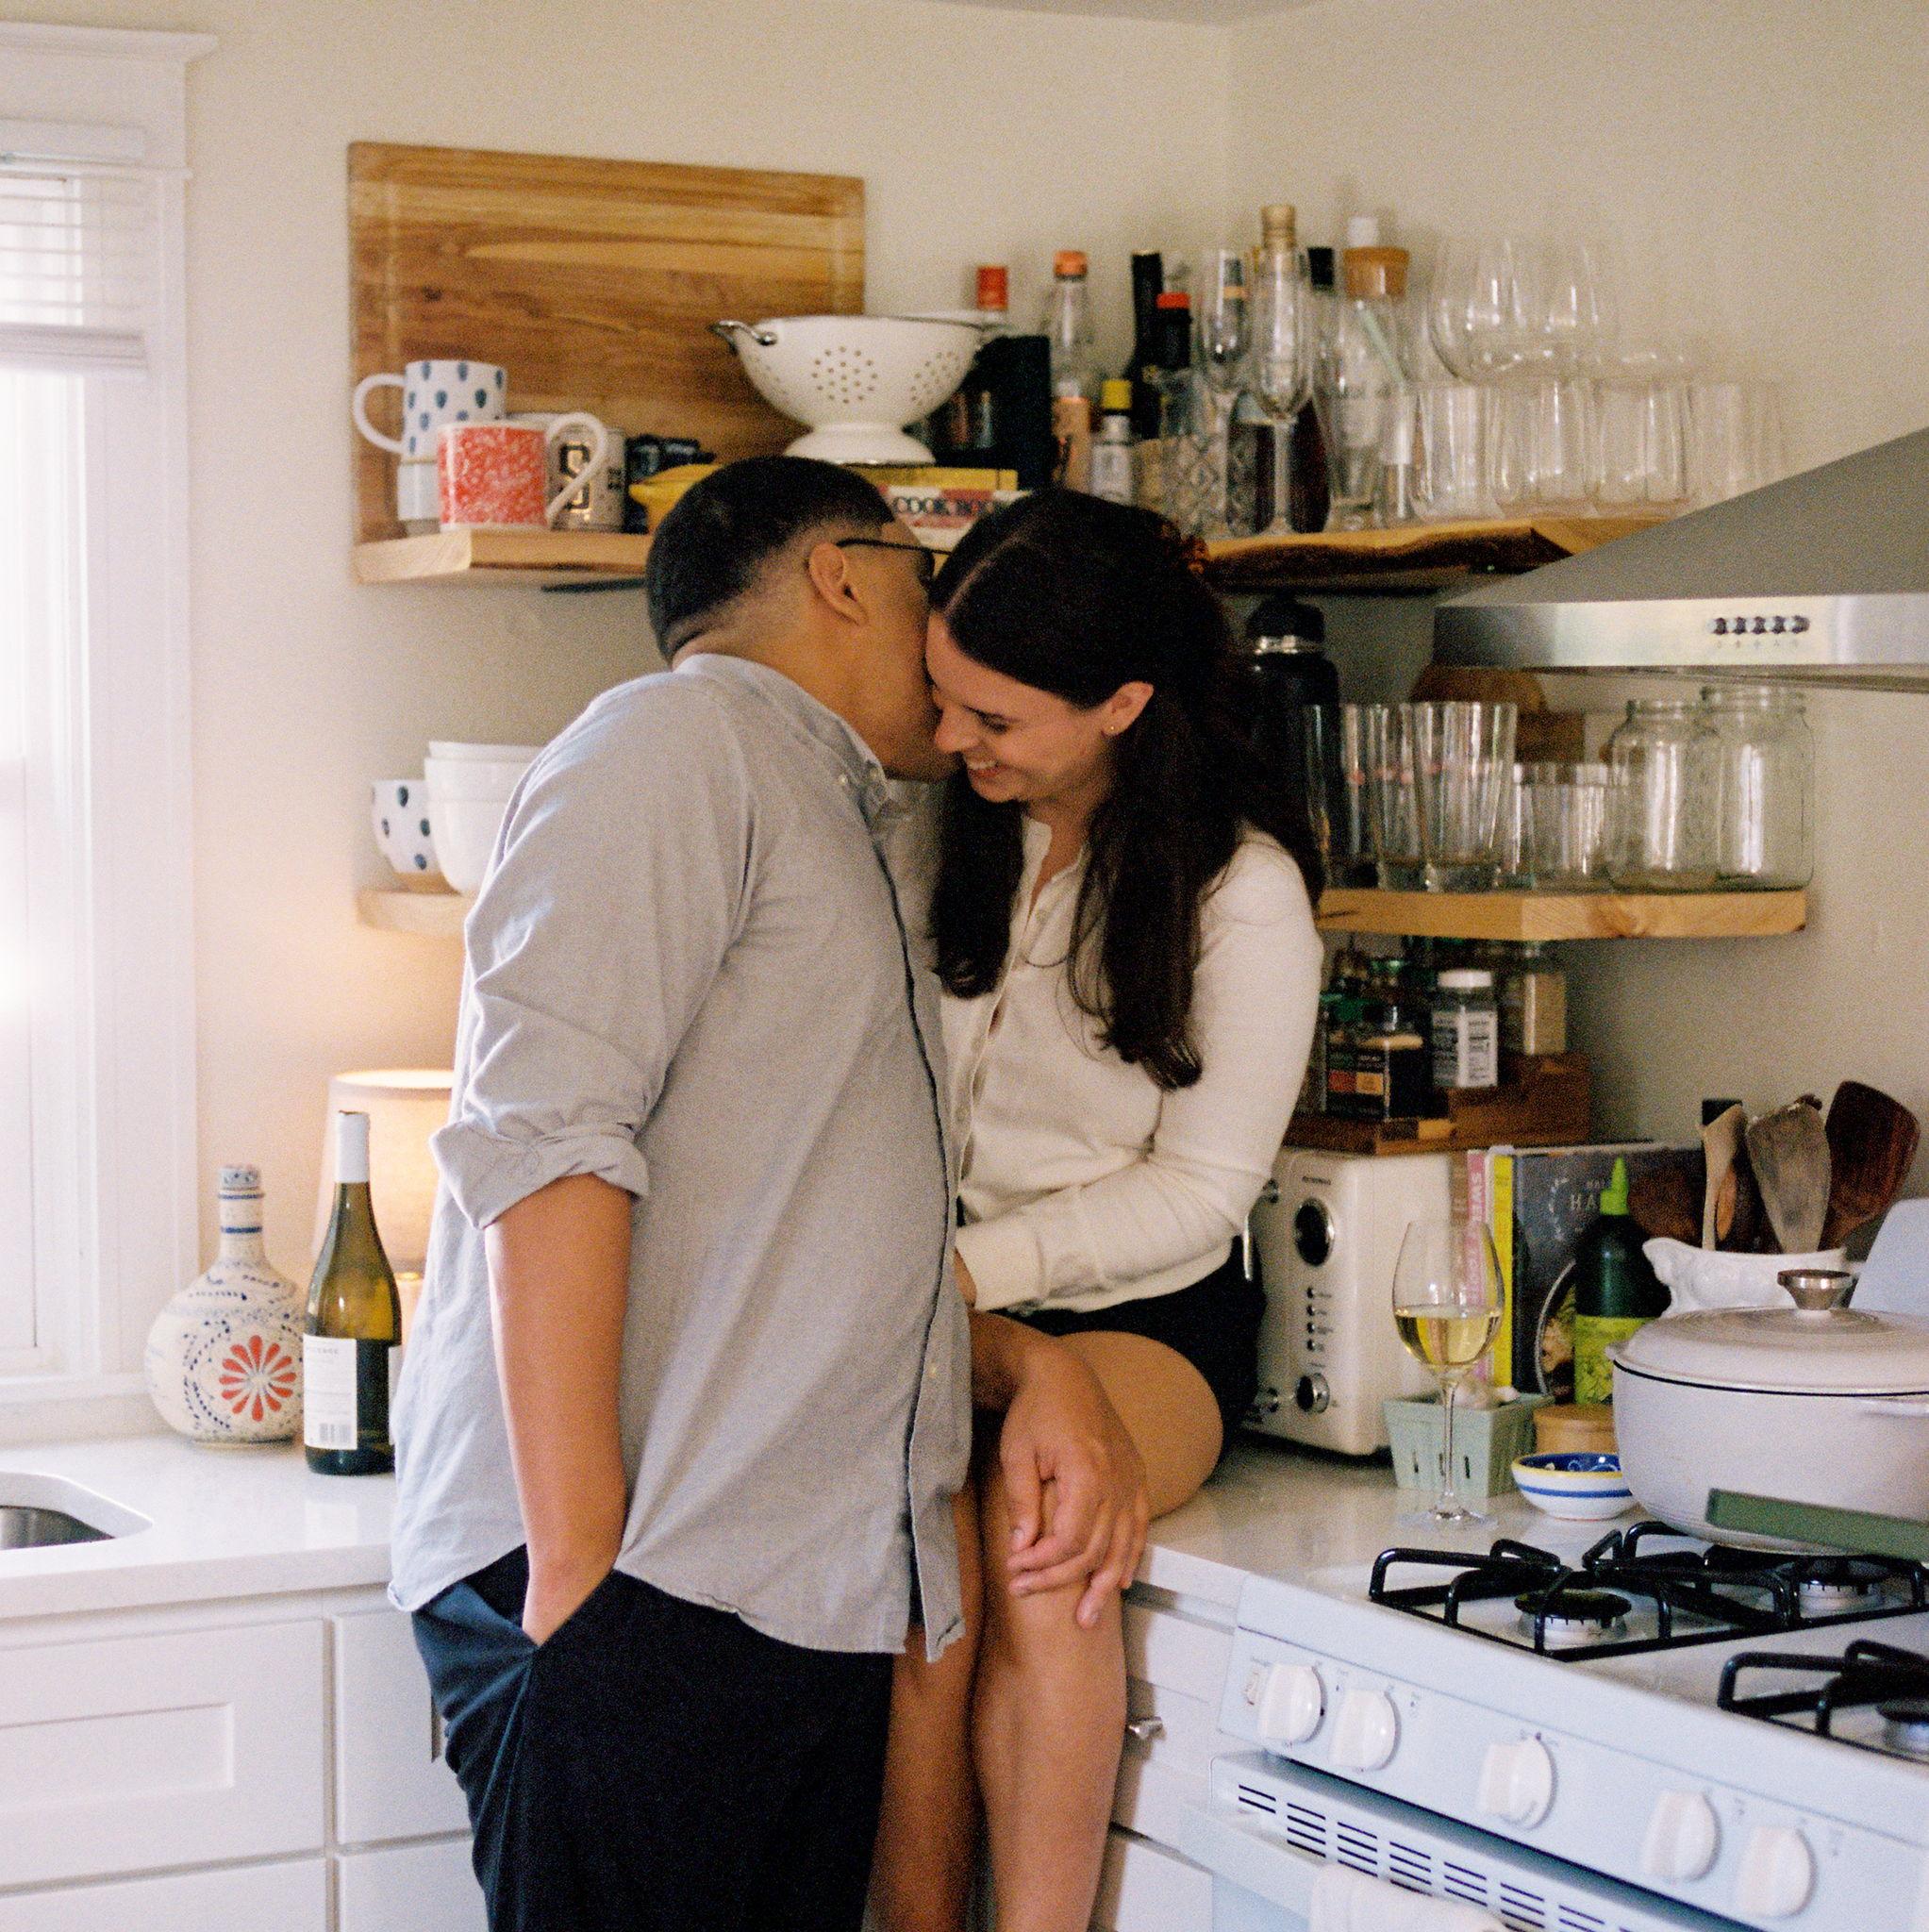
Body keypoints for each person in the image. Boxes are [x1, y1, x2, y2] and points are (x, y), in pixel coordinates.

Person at [389, 458, 1143, 1932]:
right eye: (924, 578)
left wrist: (1027, 1364)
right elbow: (545, 1150)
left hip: (762, 1597)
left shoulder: (833, 805)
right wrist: (581, 1586)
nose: (941, 631)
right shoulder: (675, 745)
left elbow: (799, 1248)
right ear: (840, 577)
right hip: (651, 1587)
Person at [870, 491, 1324, 1932]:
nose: (953, 739)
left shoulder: (1240, 892)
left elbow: (1197, 1192)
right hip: (923, 1298)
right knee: (907, 1546)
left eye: (995, 718)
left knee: (1036, 1529)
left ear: (1123, 703)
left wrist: (959, 1271)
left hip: (1144, 1315)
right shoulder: (936, 836)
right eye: (944, 698)